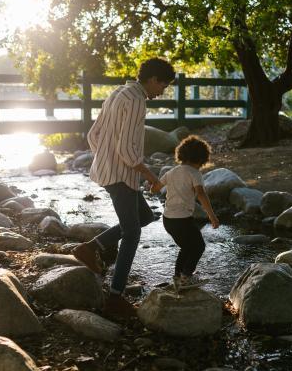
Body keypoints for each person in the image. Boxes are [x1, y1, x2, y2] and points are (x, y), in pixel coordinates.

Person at [72, 58, 175, 316]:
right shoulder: (136, 99)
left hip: (109, 171)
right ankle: (116, 297)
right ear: (153, 80)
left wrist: (104, 158)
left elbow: (93, 135)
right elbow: (128, 151)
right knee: (131, 233)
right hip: (120, 174)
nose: (162, 91)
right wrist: (151, 176)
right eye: (163, 85)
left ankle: (91, 248)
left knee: (145, 216)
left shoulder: (119, 92)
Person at [152, 135, 219, 291]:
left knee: (186, 247)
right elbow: (201, 194)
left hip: (168, 220)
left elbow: (155, 188)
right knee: (198, 247)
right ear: (202, 159)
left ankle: (177, 277)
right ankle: (186, 277)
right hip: (182, 220)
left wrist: (152, 185)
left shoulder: (172, 171)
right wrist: (212, 216)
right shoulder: (194, 174)